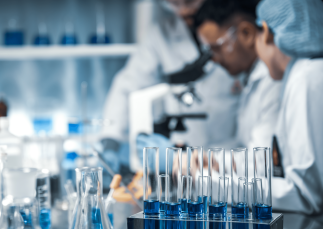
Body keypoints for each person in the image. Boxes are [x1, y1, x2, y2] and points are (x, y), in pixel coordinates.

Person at [102, 0, 240, 147]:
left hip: (231, 148)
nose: (183, 11)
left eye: (190, 1)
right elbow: (129, 84)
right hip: (184, 145)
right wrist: (111, 139)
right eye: (174, 3)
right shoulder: (160, 34)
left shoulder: (236, 28)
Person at [255, 0, 323, 214]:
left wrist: (215, 185)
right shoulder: (305, 71)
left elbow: (306, 195)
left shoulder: (306, 76)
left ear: (266, 32)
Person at [194, 0, 281, 152]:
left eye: (217, 48)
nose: (214, 59)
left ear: (246, 33)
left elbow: (261, 160)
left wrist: (189, 161)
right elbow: (243, 145)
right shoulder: (249, 78)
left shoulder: (273, 80)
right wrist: (198, 155)